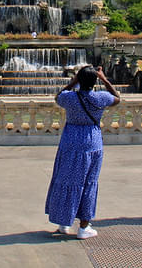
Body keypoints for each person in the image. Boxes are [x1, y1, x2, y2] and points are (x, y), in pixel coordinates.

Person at [45, 65, 120, 239]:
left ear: (79, 79)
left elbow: (57, 97)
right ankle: (84, 227)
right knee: (88, 182)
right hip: (91, 142)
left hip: (70, 141)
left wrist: (73, 82)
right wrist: (104, 78)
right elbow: (117, 98)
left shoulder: (70, 98)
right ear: (94, 81)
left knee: (66, 179)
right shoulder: (100, 98)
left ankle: (64, 222)